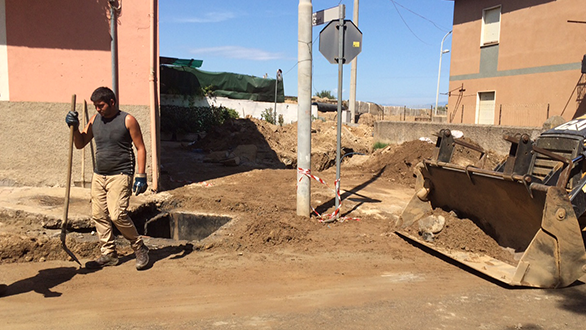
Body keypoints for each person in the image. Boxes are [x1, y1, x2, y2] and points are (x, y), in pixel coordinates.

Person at [65, 86, 150, 270]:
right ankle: (109, 253)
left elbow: (140, 147)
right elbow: (80, 144)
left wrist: (141, 176)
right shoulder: (95, 120)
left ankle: (139, 247)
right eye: (95, 105)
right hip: (99, 175)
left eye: (101, 105)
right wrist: (75, 127)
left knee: (117, 214)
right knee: (98, 215)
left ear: (112, 102)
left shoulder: (127, 120)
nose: (97, 109)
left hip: (120, 174)